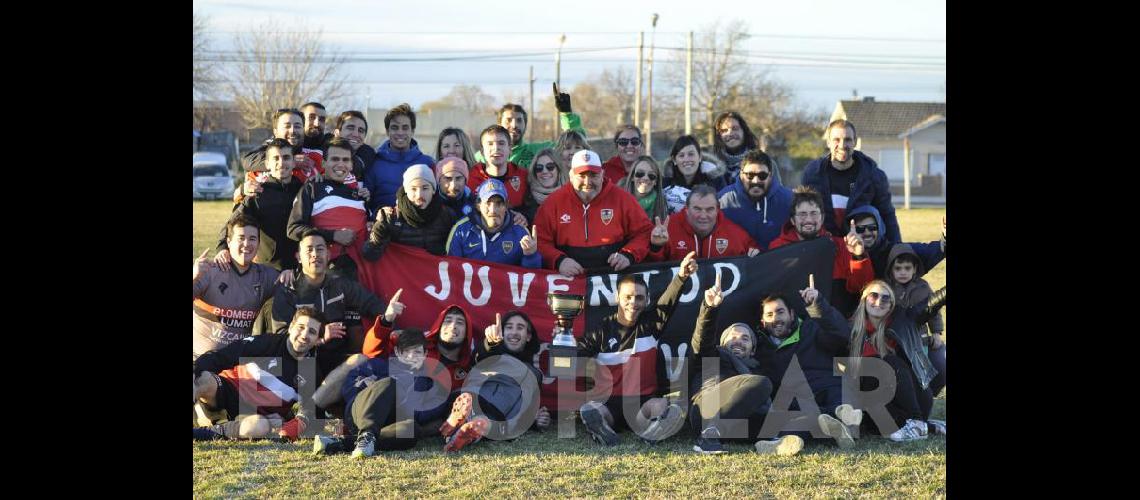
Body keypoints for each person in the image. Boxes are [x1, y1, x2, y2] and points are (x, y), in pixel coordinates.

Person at [575, 252, 700, 446]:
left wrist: (682, 276)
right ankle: (603, 429)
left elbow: (668, 302)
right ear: (617, 297)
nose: (633, 303)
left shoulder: (652, 324)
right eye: (628, 297)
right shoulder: (600, 330)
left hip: (643, 406)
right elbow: (577, 358)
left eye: (639, 298)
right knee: (591, 409)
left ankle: (651, 432)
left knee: (663, 405)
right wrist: (563, 345)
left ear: (647, 300)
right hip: (609, 403)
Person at [687, 272, 805, 455]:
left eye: (745, 338)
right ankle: (708, 436)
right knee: (760, 383)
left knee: (789, 414)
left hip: (738, 425)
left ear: (752, 349)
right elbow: (702, 339)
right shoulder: (713, 355)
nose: (738, 340)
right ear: (722, 342)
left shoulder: (757, 368)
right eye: (733, 336)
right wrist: (709, 308)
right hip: (706, 412)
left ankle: (769, 442)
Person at [751, 276, 863, 450]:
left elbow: (841, 335)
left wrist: (818, 305)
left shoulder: (812, 328)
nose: (776, 318)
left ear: (792, 313)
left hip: (828, 389)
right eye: (770, 314)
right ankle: (783, 443)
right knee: (796, 419)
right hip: (798, 403)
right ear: (763, 322)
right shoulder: (759, 348)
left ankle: (841, 420)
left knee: (843, 404)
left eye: (780, 312)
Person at [192, 307, 330, 441]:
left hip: (251, 417)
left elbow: (311, 414)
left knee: (259, 427)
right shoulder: (267, 343)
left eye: (312, 332)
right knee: (202, 378)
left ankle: (205, 432)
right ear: (291, 327)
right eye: (301, 327)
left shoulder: (311, 372)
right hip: (226, 391)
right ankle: (203, 415)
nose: (304, 335)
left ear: (318, 340)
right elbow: (223, 356)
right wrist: (195, 369)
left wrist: (292, 423)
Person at [313, 328, 451, 457]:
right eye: (406, 351)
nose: (411, 356)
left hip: (388, 423)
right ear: (397, 352)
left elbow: (429, 411)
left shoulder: (429, 384)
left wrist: (400, 401)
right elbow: (349, 388)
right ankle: (367, 434)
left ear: (425, 354)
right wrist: (372, 388)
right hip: (359, 413)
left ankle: (343, 443)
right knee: (389, 384)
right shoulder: (377, 365)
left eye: (417, 352)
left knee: (411, 430)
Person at [847, 280, 947, 442]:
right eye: (873, 296)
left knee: (888, 361)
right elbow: (828, 322)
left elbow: (930, 305)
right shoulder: (850, 328)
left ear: (891, 305)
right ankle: (927, 426)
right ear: (864, 299)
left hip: (914, 397)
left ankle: (916, 420)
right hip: (877, 403)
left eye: (885, 299)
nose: (879, 302)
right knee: (868, 371)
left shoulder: (902, 320)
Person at [436, 311, 551, 452]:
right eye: (509, 327)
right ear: (501, 332)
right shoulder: (491, 351)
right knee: (480, 417)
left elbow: (528, 405)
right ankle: (465, 424)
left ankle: (456, 432)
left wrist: (536, 420)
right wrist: (490, 342)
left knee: (483, 424)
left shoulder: (534, 373)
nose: (514, 332)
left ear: (528, 336)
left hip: (497, 412)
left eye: (520, 328)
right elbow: (480, 354)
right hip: (472, 397)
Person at [271, 232, 388, 370]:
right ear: (299, 258)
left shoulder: (340, 283)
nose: (315, 254)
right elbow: (281, 336)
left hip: (335, 356)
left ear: (328, 255)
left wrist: (389, 318)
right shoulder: (287, 291)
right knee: (307, 375)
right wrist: (318, 339)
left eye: (320, 249)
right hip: (301, 358)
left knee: (363, 364)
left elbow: (371, 303)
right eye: (309, 250)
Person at [534, 150, 652, 276]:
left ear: (602, 174)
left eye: (593, 175)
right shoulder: (553, 203)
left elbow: (644, 232)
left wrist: (629, 254)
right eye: (582, 175)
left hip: (613, 280)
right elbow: (539, 240)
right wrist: (558, 260)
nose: (587, 182)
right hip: (569, 282)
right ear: (571, 175)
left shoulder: (622, 199)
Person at [769, 186, 874, 317]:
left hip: (833, 324)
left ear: (822, 218)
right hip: (793, 326)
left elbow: (862, 288)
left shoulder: (841, 246)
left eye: (814, 213)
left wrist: (859, 256)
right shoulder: (777, 248)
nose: (808, 220)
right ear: (792, 220)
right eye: (802, 214)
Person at [801, 119, 901, 245]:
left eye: (848, 139)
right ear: (828, 142)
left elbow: (887, 216)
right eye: (836, 140)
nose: (842, 145)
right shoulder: (812, 174)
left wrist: (897, 249)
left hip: (862, 249)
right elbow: (802, 214)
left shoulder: (874, 176)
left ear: (855, 142)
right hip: (824, 248)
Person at [194, 215, 281, 359]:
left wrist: (289, 274)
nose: (247, 244)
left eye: (252, 239)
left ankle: (310, 380)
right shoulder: (209, 271)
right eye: (241, 238)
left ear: (259, 243)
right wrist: (194, 276)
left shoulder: (265, 276)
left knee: (293, 366)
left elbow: (298, 294)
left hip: (238, 363)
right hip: (199, 359)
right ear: (228, 242)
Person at [215, 138, 303, 272]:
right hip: (267, 269)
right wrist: (222, 248)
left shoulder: (304, 190)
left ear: (293, 162)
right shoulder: (258, 192)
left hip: (299, 268)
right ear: (267, 163)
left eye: (286, 158)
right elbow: (234, 221)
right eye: (276, 158)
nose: (281, 163)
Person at [884, 243, 946, 397]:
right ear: (891, 270)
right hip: (895, 340)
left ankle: (925, 394)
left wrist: (937, 332)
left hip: (920, 338)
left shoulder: (922, 287)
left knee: (920, 369)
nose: (903, 272)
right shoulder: (887, 288)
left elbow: (934, 310)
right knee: (900, 372)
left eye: (907, 268)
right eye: (898, 269)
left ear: (914, 269)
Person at [473, 84, 584, 168]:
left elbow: (577, 143)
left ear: (525, 125)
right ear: (499, 124)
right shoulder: (482, 156)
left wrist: (567, 114)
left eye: (519, 120)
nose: (514, 125)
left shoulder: (537, 151)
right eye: (508, 120)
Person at [362, 164, 459, 260]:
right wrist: (380, 231)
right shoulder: (391, 217)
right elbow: (369, 255)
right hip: (401, 274)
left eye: (425, 188)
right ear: (406, 191)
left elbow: (458, 256)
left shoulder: (447, 216)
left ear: (433, 190)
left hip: (434, 273)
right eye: (413, 189)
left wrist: (443, 250)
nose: (419, 195)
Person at [646, 185, 760, 261]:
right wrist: (655, 247)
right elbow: (649, 268)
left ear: (717, 209)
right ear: (687, 209)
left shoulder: (735, 235)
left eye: (710, 209)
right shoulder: (667, 229)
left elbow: (756, 257)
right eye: (697, 209)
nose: (703, 216)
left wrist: (756, 256)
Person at [446, 179, 541, 268]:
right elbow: (451, 271)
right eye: (488, 203)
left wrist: (531, 256)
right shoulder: (461, 230)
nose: (493, 210)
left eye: (499, 203)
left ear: (506, 205)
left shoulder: (520, 232)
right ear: (478, 205)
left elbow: (531, 279)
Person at [364, 103, 435, 215]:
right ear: (387, 132)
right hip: (384, 228)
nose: (400, 133)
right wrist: (376, 216)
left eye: (405, 128)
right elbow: (365, 203)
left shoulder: (427, 163)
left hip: (420, 229)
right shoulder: (374, 163)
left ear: (412, 131)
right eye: (395, 128)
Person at [717, 150, 793, 250]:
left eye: (762, 176)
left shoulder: (789, 199)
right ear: (741, 174)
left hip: (778, 261)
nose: (756, 181)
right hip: (737, 262)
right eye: (750, 175)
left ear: (770, 176)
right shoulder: (723, 200)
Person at [467, 125, 530, 211]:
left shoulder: (524, 176)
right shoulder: (470, 177)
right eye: (490, 144)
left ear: (510, 149)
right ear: (482, 152)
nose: (496, 148)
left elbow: (533, 207)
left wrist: (525, 216)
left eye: (501, 143)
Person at [711, 111, 781, 185]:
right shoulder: (711, 166)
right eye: (724, 131)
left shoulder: (765, 162)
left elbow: (778, 193)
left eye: (735, 128)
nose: (730, 133)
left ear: (744, 131)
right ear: (718, 136)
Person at [662, 135, 726, 214]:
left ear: (699, 157)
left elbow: (723, 211)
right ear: (674, 160)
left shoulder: (716, 181)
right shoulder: (665, 184)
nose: (686, 159)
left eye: (691, 154)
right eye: (681, 155)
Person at [520, 148, 567, 222]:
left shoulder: (570, 196)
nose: (544, 171)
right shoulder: (526, 199)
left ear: (558, 169)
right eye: (539, 168)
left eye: (550, 167)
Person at [619, 155, 668, 223]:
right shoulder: (617, 198)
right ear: (632, 177)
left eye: (651, 176)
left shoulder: (660, 203)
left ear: (656, 182)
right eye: (640, 173)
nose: (645, 178)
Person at [332, 110, 376, 183]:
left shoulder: (368, 153)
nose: (356, 134)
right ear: (337, 133)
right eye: (350, 128)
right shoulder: (322, 150)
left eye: (361, 131)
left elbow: (356, 168)